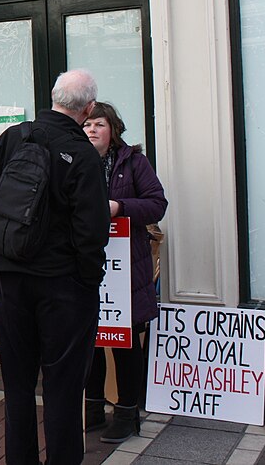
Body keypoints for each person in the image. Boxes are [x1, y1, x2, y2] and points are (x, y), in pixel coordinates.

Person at [0, 69, 110, 465]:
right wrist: (89, 280)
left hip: (10, 281)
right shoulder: (82, 152)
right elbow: (92, 229)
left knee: (16, 388)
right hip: (63, 287)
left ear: (52, 98)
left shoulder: (12, 139)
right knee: (63, 390)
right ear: (87, 109)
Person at [82, 102, 167, 443]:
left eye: (98, 124)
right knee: (89, 340)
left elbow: (157, 203)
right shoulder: (71, 161)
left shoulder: (134, 162)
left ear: (113, 129)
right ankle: (92, 408)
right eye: (86, 124)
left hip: (127, 270)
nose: (91, 130)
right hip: (86, 267)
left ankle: (127, 413)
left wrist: (119, 207)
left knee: (125, 342)